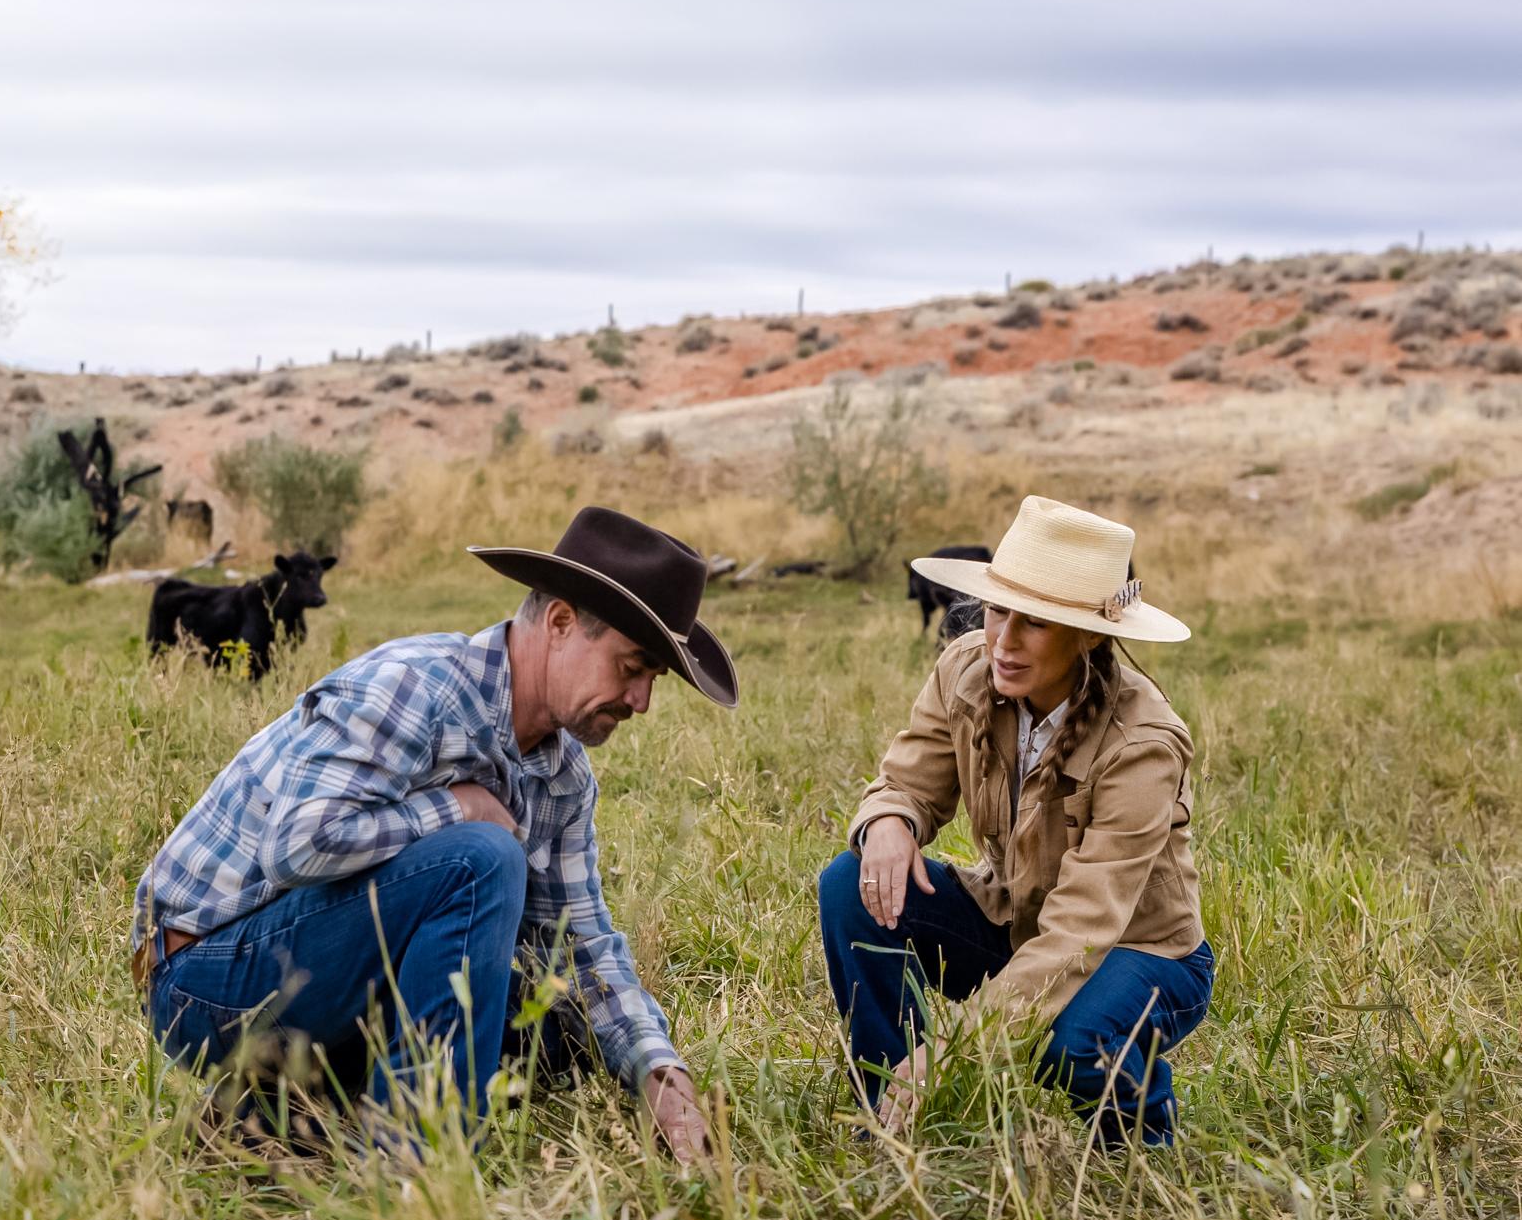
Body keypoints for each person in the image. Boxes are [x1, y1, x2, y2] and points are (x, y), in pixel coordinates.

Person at [131, 506, 738, 1162]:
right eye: (633, 666)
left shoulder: (562, 776)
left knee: (554, 1020)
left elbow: (581, 942)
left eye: (654, 680)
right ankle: (417, 1160)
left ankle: (277, 1118)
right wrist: (458, 810)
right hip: (203, 980)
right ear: (561, 623)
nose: (642, 701)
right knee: (481, 859)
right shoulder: (416, 685)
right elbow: (297, 844)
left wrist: (661, 1074)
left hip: (320, 979)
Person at [819, 496, 1213, 1145]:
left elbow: (1083, 930)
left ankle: (1142, 1138)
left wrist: (958, 1047)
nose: (1003, 641)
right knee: (850, 883)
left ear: (1089, 635)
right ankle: (888, 1110)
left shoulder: (1143, 742)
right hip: (1016, 922)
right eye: (999, 611)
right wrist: (891, 821)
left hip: (1138, 951)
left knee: (1068, 1044)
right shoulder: (965, 669)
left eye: (1034, 623)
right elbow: (909, 781)